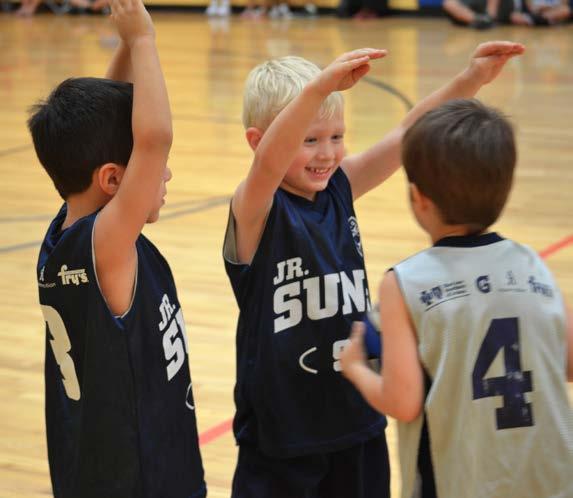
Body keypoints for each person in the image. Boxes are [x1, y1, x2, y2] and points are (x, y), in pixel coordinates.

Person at [223, 42, 524, 498]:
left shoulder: (340, 187)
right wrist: (319, 88)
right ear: (257, 140)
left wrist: (472, 79)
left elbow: (408, 132)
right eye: (310, 140)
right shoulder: (255, 209)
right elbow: (268, 163)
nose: (327, 153)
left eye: (336, 136)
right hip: (283, 433)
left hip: (356, 416)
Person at [340, 98, 573, 498]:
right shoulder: (532, 264)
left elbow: (403, 401)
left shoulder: (404, 283)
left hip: (459, 481)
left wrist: (356, 367)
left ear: (419, 197)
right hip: (550, 478)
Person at [28, 0, 206, 496]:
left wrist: (126, 44)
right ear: (112, 180)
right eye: (151, 169)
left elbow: (110, 129)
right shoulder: (106, 247)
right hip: (137, 476)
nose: (164, 173)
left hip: (104, 463)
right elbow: (154, 138)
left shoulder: (71, 227)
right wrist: (143, 39)